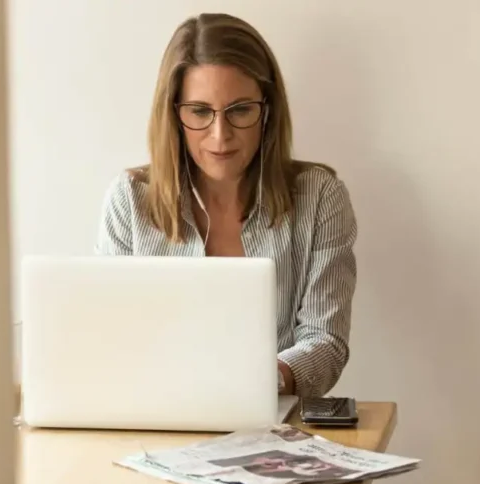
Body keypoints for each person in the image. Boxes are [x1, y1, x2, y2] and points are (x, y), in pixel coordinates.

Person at [94, 12, 357, 398]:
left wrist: (259, 381)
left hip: (272, 419)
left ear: (267, 110)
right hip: (155, 415)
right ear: (174, 114)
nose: (220, 136)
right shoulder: (129, 200)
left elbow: (326, 343)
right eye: (200, 111)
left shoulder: (320, 197)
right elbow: (111, 338)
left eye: (240, 110)